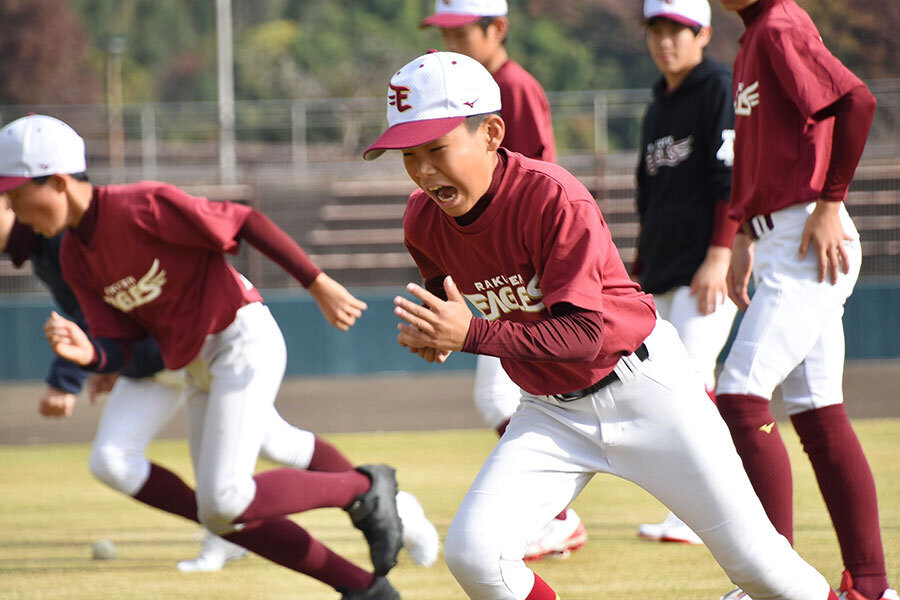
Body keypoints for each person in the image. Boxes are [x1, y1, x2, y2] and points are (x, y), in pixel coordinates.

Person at [364, 49, 841, 600]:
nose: (422, 170)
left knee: (761, 570)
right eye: (407, 154)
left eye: (435, 148)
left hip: (646, 389)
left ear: (492, 133)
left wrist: (467, 334)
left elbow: (587, 334)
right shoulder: (422, 220)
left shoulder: (552, 197)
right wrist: (434, 334)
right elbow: (444, 298)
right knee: (475, 555)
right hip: (551, 413)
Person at [0, 114, 403, 600]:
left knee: (225, 500)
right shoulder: (73, 258)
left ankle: (362, 486)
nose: (16, 210)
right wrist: (90, 354)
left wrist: (315, 282)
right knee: (220, 515)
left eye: (18, 195)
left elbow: (244, 220)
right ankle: (365, 589)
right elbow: (120, 344)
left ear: (59, 181)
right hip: (194, 365)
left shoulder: (139, 204)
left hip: (239, 337)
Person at [711, 2, 897, 600]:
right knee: (818, 413)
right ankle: (869, 587)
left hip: (807, 236)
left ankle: (775, 583)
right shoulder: (750, 39)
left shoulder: (778, 22)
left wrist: (830, 201)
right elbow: (762, 151)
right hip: (778, 238)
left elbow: (858, 100)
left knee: (740, 396)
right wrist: (741, 232)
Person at [421, 0, 586, 561]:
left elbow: (535, 175)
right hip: (500, 283)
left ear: (497, 28)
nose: (449, 44)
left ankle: (557, 515)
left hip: (525, 277)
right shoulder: (465, 87)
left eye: (458, 31)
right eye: (442, 33)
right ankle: (556, 513)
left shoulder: (512, 86)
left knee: (499, 392)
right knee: (500, 395)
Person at [632, 0, 738, 547]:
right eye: (657, 29)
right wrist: (637, 267)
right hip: (664, 272)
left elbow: (730, 179)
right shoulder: (658, 103)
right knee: (671, 391)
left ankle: (718, 512)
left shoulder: (718, 87)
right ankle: (694, 512)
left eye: (677, 29)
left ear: (703, 34)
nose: (666, 40)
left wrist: (720, 256)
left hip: (705, 269)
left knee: (695, 386)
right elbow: (649, 196)